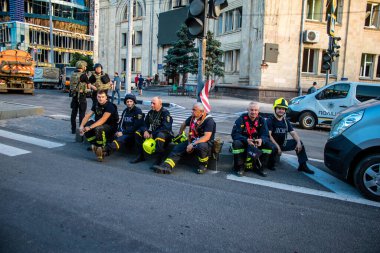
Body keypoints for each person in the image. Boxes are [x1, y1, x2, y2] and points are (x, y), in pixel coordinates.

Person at [153, 103, 216, 174]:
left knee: (201, 146)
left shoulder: (209, 121)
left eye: (194, 110)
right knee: (178, 148)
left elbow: (206, 137)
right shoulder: (193, 117)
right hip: (192, 140)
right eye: (192, 109)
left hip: (204, 142)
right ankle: (167, 166)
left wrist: (192, 144)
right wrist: (180, 134)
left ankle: (203, 165)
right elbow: (184, 124)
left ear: (201, 112)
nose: (192, 111)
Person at [266, 98, 314, 174]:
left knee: (299, 143)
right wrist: (278, 147)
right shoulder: (270, 120)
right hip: (272, 145)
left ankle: (302, 165)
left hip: (282, 144)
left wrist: (298, 142)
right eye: (279, 108)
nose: (281, 110)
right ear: (275, 108)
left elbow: (293, 133)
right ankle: (270, 162)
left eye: (283, 109)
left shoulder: (285, 121)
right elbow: (269, 135)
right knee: (272, 157)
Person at [231, 102, 274, 177]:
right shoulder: (240, 119)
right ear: (247, 110)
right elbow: (234, 134)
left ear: (258, 111)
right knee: (236, 143)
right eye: (251, 110)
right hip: (245, 142)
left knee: (269, 145)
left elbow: (266, 135)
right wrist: (246, 140)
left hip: (257, 143)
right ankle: (240, 167)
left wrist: (261, 140)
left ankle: (261, 167)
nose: (253, 112)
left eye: (255, 110)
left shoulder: (262, 120)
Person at [131, 96, 173, 166]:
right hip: (154, 133)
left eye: (154, 103)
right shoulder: (151, 112)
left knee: (160, 135)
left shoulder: (165, 113)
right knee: (138, 132)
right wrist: (145, 131)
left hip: (166, 134)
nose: (151, 105)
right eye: (151, 103)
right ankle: (140, 156)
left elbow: (165, 127)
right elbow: (144, 124)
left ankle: (159, 160)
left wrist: (152, 134)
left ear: (160, 104)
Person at [79, 90, 119, 162]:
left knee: (97, 128)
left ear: (106, 97)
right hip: (100, 124)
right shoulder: (96, 104)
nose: (101, 99)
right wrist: (81, 126)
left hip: (110, 126)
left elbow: (103, 119)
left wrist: (90, 127)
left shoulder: (110, 106)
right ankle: (95, 145)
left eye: (103, 97)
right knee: (87, 125)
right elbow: (88, 115)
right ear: (96, 97)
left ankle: (102, 148)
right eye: (99, 97)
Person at [69, 60, 90, 134]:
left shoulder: (73, 74)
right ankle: (81, 129)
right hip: (81, 97)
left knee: (73, 113)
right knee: (82, 114)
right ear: (82, 67)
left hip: (74, 96)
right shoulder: (84, 75)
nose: (86, 67)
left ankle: (73, 130)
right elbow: (88, 85)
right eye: (85, 66)